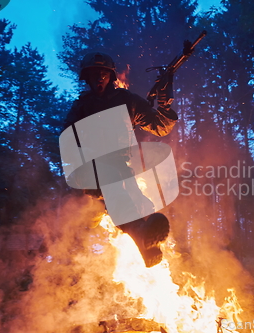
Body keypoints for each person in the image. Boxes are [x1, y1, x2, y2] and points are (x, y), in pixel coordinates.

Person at [63, 52, 177, 267]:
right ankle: (141, 234)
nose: (99, 77)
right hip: (90, 170)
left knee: (140, 203)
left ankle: (147, 246)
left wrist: (165, 106)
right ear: (86, 78)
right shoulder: (81, 108)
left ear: (111, 76)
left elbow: (160, 127)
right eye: (94, 73)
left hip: (118, 167)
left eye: (103, 73)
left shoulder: (127, 102)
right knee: (116, 189)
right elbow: (68, 144)